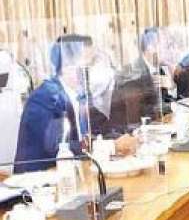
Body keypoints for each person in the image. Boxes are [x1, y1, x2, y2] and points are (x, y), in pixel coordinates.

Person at [14, 34, 136, 173]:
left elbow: (95, 130)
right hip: (39, 180)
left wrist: (122, 137)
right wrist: (112, 146)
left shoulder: (79, 94)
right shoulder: (46, 97)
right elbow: (60, 148)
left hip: (72, 173)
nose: (92, 70)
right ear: (68, 66)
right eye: (88, 65)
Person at [111, 27, 177, 131]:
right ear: (151, 48)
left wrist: (172, 87)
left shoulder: (160, 68)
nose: (169, 50)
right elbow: (142, 112)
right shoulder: (131, 73)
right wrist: (172, 107)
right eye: (166, 46)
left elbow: (168, 100)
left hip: (159, 126)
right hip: (137, 131)